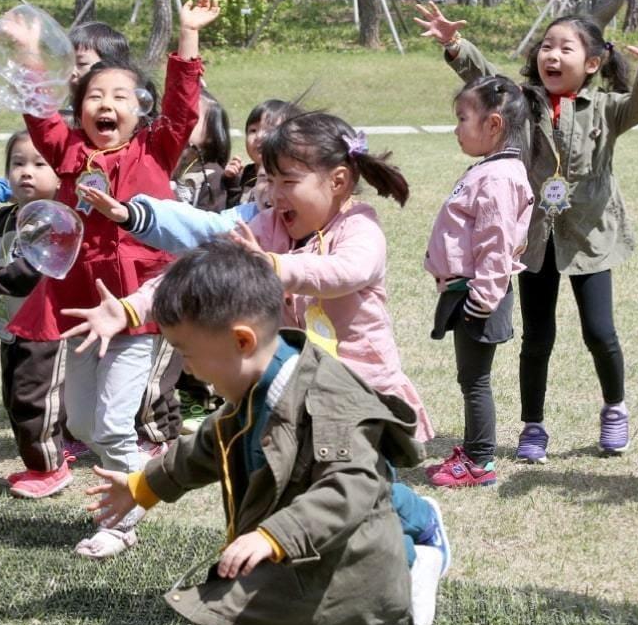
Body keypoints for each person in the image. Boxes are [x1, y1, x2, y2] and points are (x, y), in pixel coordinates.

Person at [81, 239, 447, 625]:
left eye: (186, 352)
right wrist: (144, 486)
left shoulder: (330, 404)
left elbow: (351, 487)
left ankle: (412, 561)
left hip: (341, 576)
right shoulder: (257, 385)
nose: (185, 367)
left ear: (241, 341)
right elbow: (211, 443)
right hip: (299, 560)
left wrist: (273, 535)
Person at [5, 0, 219, 559]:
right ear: (80, 112)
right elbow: (39, 115)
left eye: (120, 96)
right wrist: (30, 53)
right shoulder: (71, 151)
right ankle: (138, 470)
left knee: (112, 421)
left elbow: (182, 106)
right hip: (82, 308)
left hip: (141, 309)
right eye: (95, 96)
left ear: (139, 110)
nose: (106, 103)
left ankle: (121, 519)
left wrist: (188, 35)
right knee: (81, 421)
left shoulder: (157, 146)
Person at [73, 111, 435, 442]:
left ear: (338, 181)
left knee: (360, 486)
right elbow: (200, 267)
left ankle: (417, 516)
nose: (273, 195)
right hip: (294, 387)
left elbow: (346, 271)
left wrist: (274, 266)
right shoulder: (266, 226)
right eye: (270, 180)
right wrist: (132, 307)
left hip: (360, 387)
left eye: (288, 182)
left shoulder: (359, 226)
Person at [416, 3, 638, 460]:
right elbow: (487, 78)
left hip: (591, 236)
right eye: (546, 47)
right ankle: (533, 427)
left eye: (565, 48)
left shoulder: (607, 110)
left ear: (592, 63)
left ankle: (615, 409)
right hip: (534, 239)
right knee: (537, 337)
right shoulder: (524, 102)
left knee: (600, 332)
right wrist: (455, 45)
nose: (552, 56)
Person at [424, 75, 533, 488]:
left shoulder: (500, 177)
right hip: (467, 291)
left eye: (462, 118)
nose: (456, 128)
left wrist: (482, 298)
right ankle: (473, 453)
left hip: (478, 294)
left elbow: (497, 243)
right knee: (470, 378)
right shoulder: (491, 170)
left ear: (492, 125)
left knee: (475, 380)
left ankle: (479, 461)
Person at [0, 130, 70, 498]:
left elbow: (25, 274)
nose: (26, 172)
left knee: (32, 398)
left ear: (60, 174)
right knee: (15, 395)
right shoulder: (4, 219)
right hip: (12, 326)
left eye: (40, 164)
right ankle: (51, 452)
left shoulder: (56, 221)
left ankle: (49, 468)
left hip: (47, 328)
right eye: (18, 163)